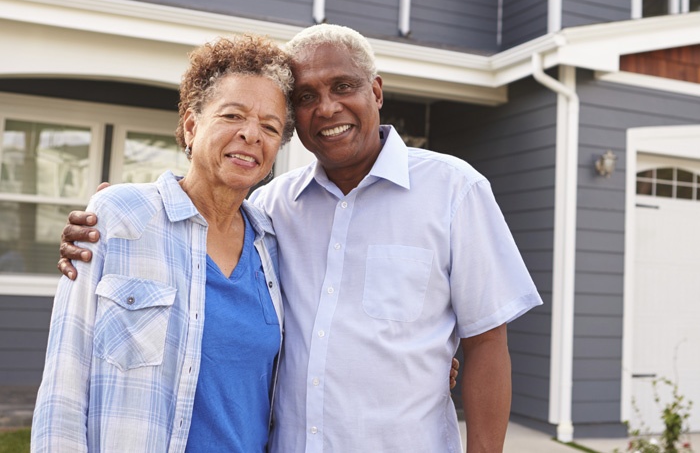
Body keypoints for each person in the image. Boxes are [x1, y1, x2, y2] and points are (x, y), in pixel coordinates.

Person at [59, 24, 542, 452]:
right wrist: (116, 211)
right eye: (306, 97)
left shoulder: (455, 189)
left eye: (343, 86)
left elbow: (487, 343)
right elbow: (192, 219)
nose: (327, 107)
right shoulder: (272, 211)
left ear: (375, 91)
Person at [32, 34, 295, 452]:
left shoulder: (276, 245)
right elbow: (63, 385)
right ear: (192, 127)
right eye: (232, 116)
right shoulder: (119, 217)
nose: (251, 134)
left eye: (270, 126)